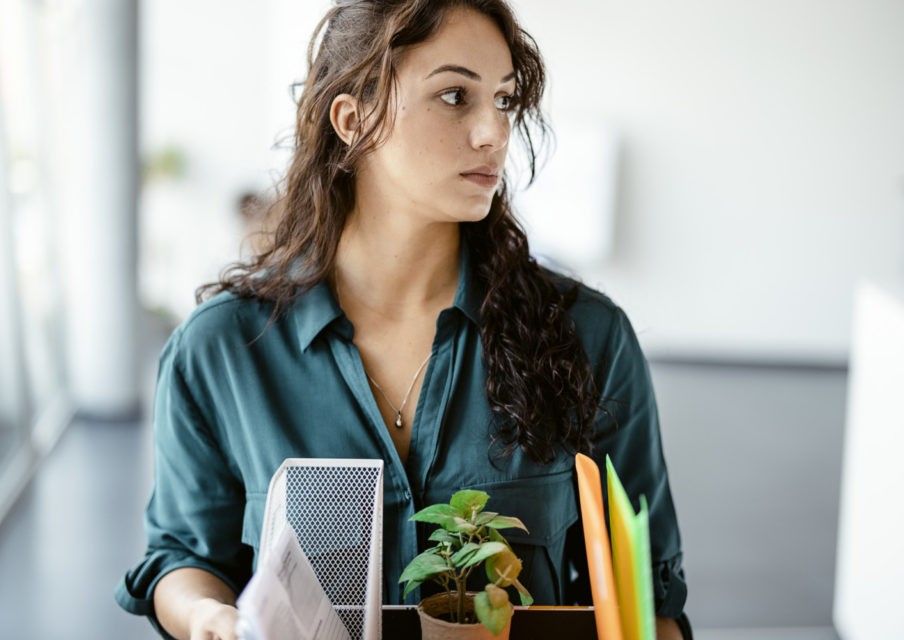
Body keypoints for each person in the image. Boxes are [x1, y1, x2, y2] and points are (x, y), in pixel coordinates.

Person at [116, 1, 690, 638]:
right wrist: (205, 616)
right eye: (454, 95)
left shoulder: (589, 337)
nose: (494, 134)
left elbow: (653, 601)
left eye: (503, 100)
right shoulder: (221, 350)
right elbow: (183, 557)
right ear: (353, 117)